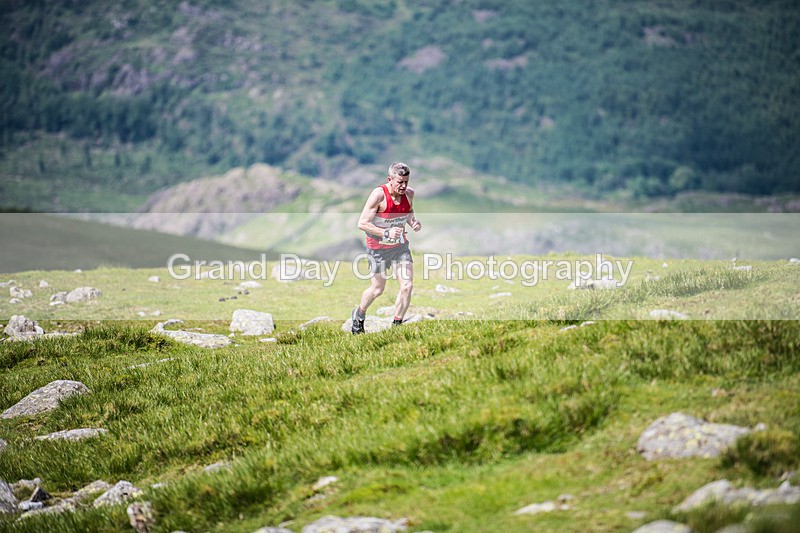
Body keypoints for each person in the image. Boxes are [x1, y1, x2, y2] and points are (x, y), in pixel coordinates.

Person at [351, 162, 422, 334]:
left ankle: (396, 326)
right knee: (377, 289)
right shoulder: (378, 195)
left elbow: (409, 212)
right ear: (390, 179)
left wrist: (413, 222)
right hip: (378, 249)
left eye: (406, 181)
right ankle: (359, 315)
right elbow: (362, 223)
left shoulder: (409, 194)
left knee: (407, 286)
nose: (404, 186)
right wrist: (385, 233)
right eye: (400, 182)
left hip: (400, 248)